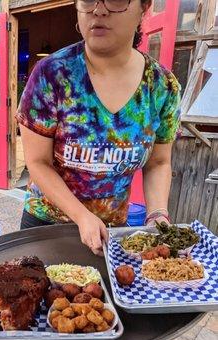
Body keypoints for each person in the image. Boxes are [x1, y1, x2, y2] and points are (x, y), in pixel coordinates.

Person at [17, 0, 181, 256]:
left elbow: (158, 163)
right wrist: (82, 216)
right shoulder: (52, 75)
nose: (99, 9)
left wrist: (157, 214)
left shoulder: (161, 86)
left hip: (112, 231)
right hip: (46, 227)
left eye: (116, 0)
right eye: (88, 0)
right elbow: (38, 162)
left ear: (144, 7)